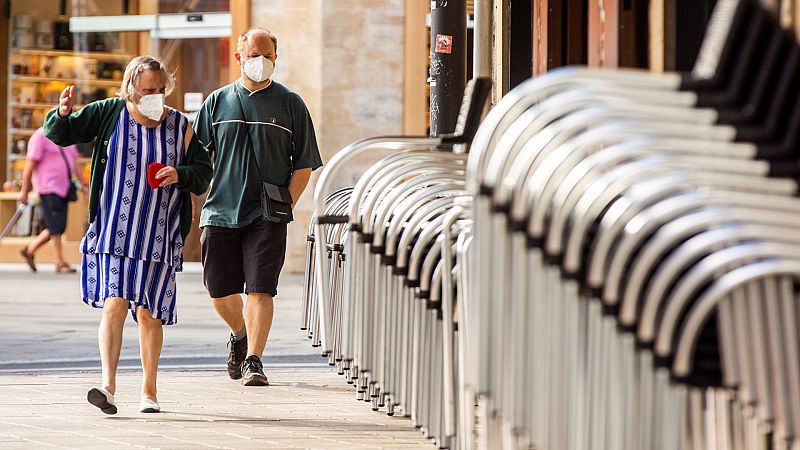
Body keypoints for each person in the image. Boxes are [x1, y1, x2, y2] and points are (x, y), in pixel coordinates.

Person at [43, 56, 212, 414]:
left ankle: (149, 392)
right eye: (148, 90)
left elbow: (202, 171)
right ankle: (108, 386)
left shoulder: (180, 126)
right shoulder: (108, 113)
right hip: (113, 232)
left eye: (160, 90)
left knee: (149, 313)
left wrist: (180, 173)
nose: (155, 96)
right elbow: (62, 134)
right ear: (130, 89)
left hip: (158, 234)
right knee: (115, 304)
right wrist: (60, 114)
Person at [194, 28, 323, 386]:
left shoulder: (291, 104)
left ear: (275, 59)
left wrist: (285, 204)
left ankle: (254, 360)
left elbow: (305, 164)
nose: (260, 62)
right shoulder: (216, 103)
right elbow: (195, 158)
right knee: (219, 290)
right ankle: (239, 333)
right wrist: (190, 203)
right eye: (253, 55)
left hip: (267, 214)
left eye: (267, 56)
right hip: (220, 211)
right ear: (239, 58)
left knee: (261, 288)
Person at [18, 127, 88, 273]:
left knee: (58, 226)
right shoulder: (40, 136)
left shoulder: (68, 136)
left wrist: (84, 184)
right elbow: (29, 165)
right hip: (48, 187)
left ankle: (30, 250)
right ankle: (60, 262)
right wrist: (24, 191)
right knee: (56, 226)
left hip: (64, 188)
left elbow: (74, 164)